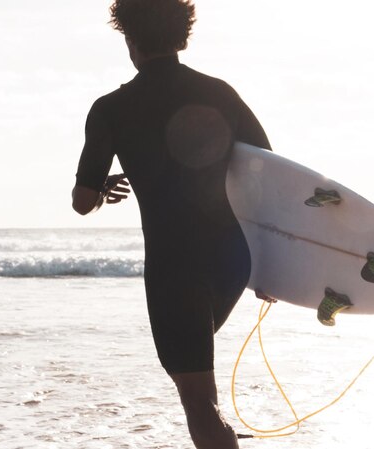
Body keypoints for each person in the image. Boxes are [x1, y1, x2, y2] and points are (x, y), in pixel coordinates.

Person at [72, 1, 271, 447]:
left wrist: (103, 190)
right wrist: (271, 265)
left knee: (199, 402)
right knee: (204, 390)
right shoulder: (220, 92)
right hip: (233, 261)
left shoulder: (111, 108)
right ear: (181, 34)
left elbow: (82, 202)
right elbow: (268, 172)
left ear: (130, 39)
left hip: (174, 268)